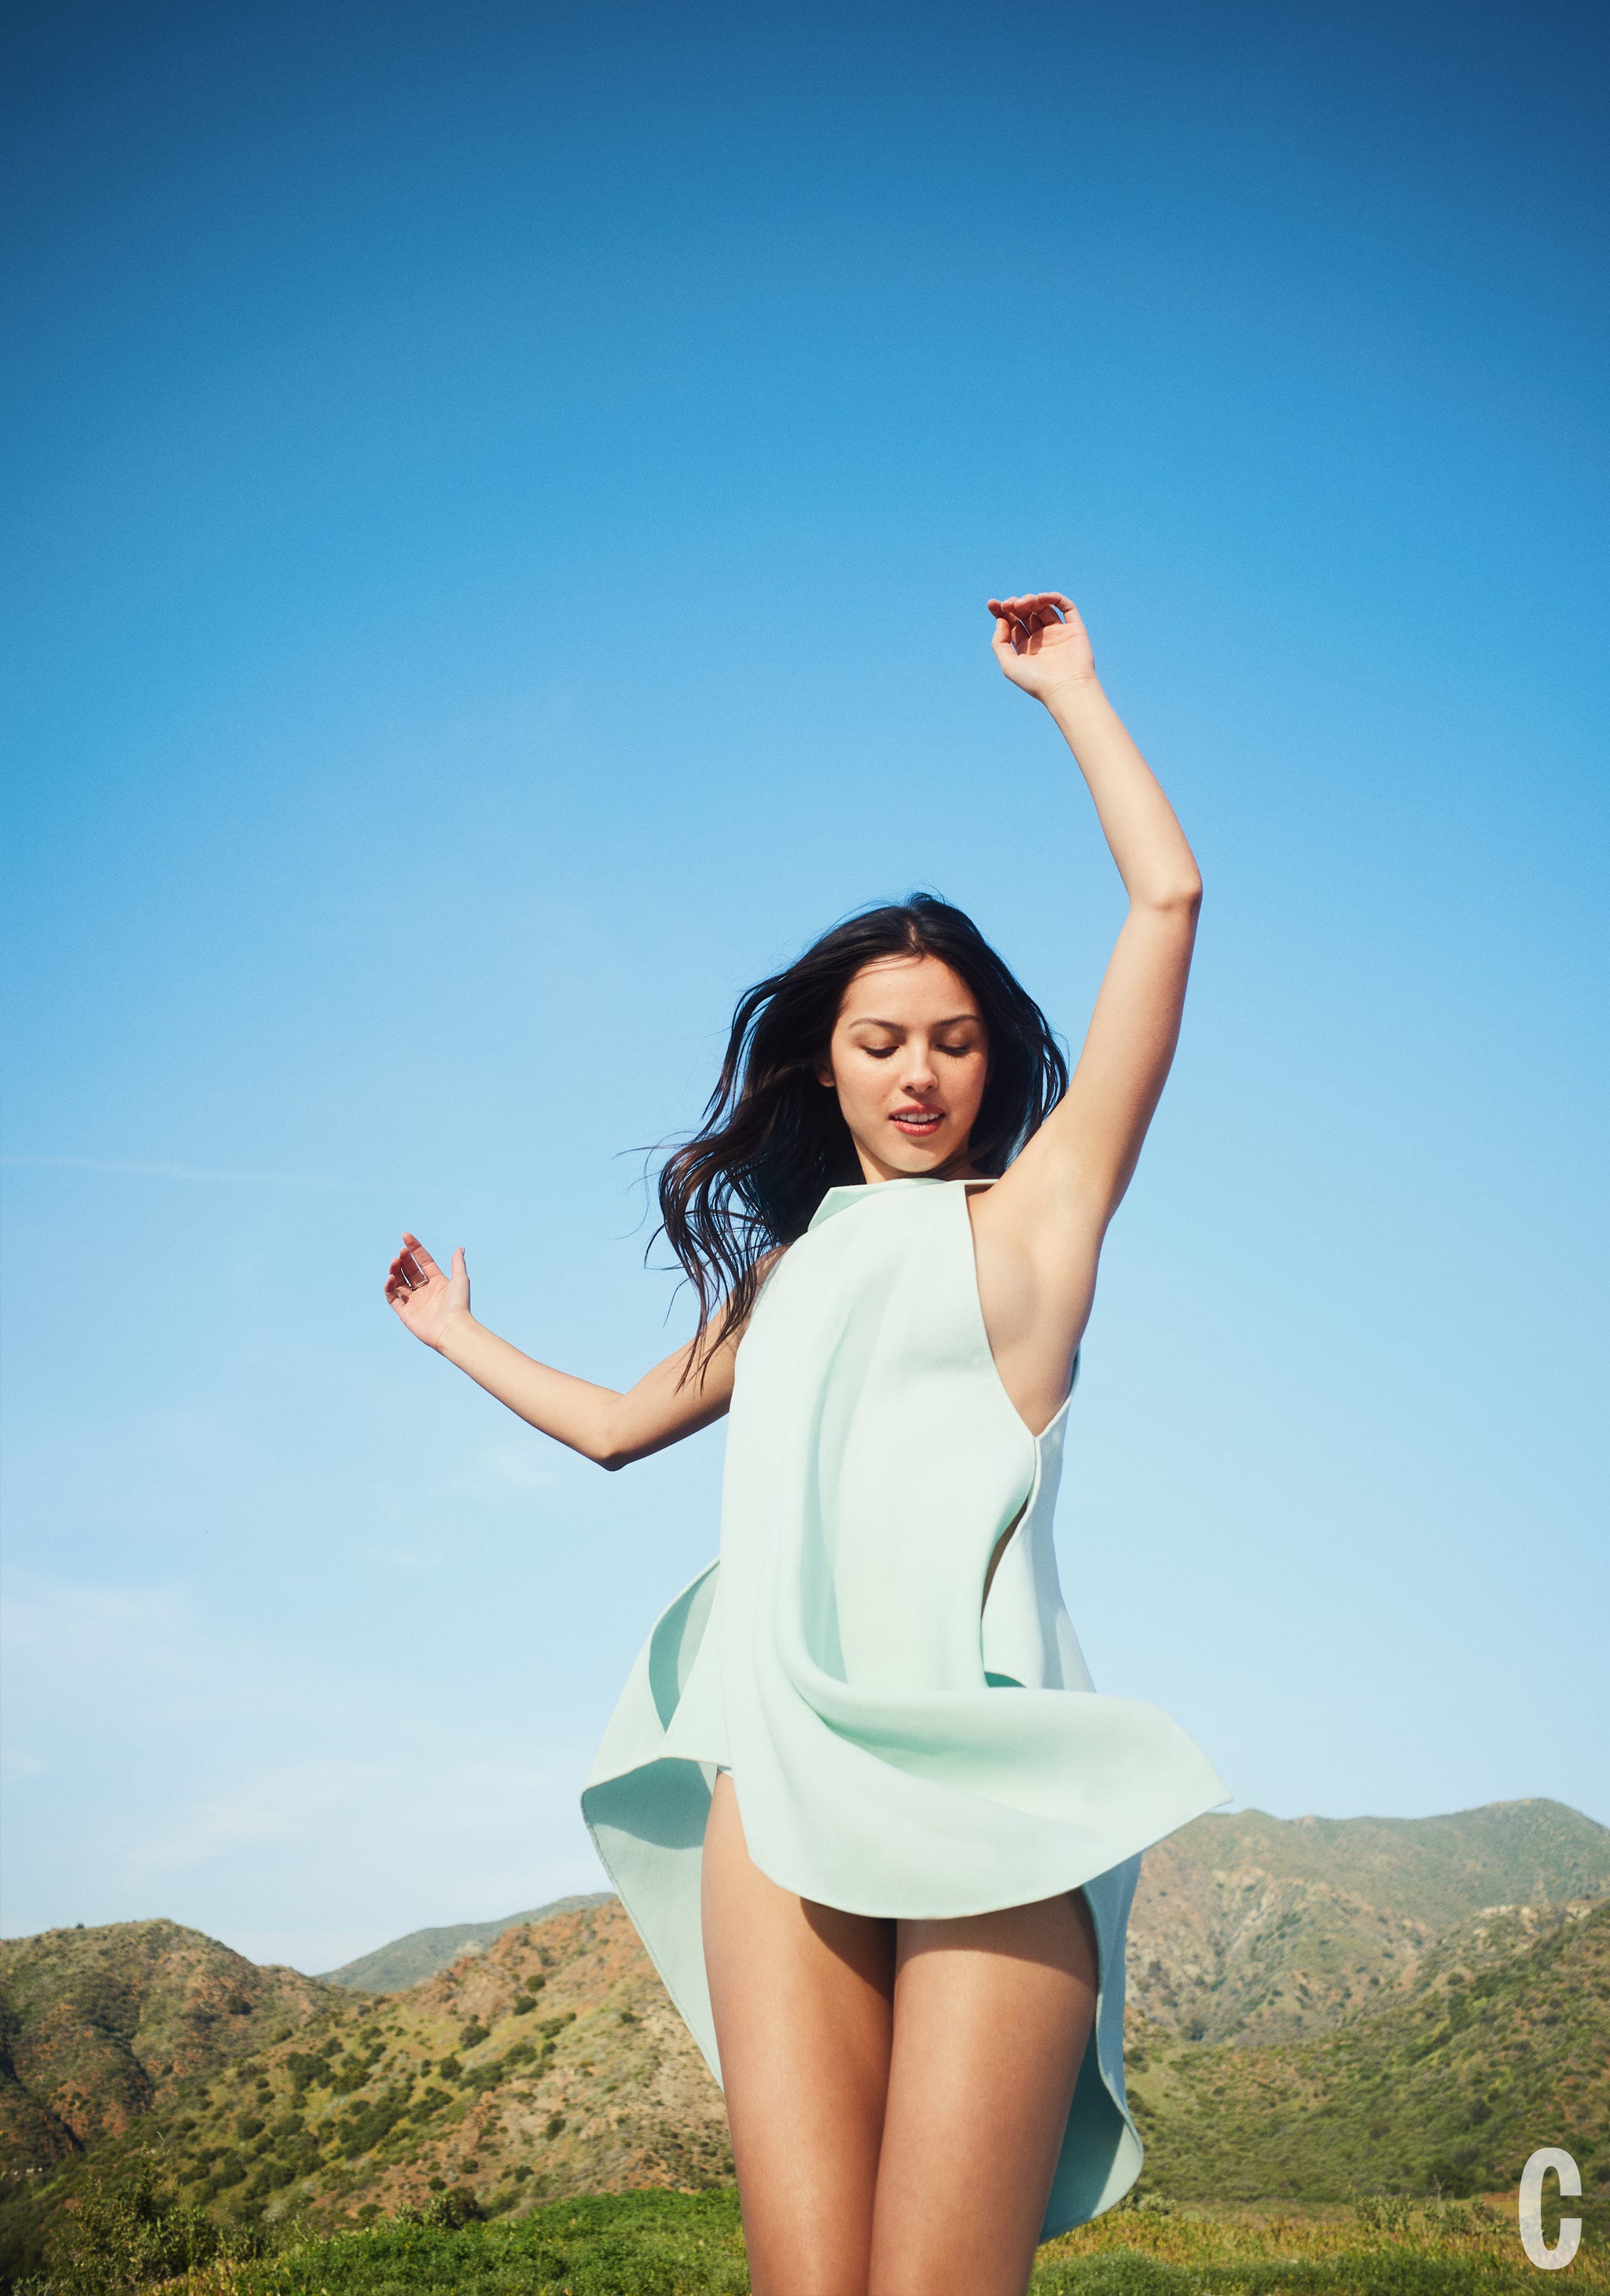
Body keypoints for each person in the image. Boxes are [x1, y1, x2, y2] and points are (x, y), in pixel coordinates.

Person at [385, 591, 1228, 2296]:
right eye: (879, 1043)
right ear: (826, 1069)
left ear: (994, 1064)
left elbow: (1167, 897)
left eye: (953, 1041)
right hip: (772, 1784)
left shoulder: (1040, 1220)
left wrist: (1069, 691)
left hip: (986, 1787)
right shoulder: (784, 1276)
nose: (918, 1074)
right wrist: (457, 1332)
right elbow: (623, 1429)